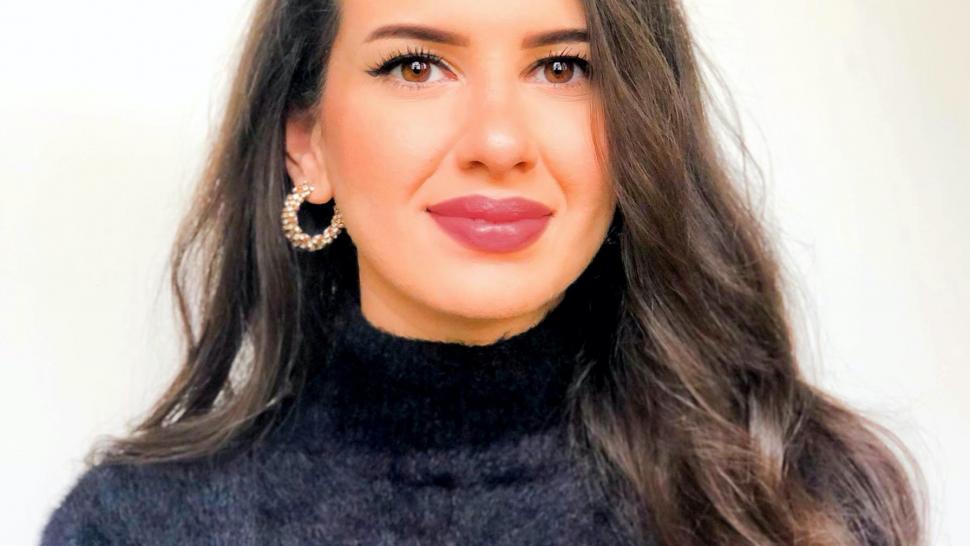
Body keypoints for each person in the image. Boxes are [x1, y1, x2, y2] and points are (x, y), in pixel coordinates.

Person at [40, 0, 926, 544]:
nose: (499, 142)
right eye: (417, 65)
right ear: (305, 145)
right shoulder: (137, 529)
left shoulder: (804, 499)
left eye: (563, 66)